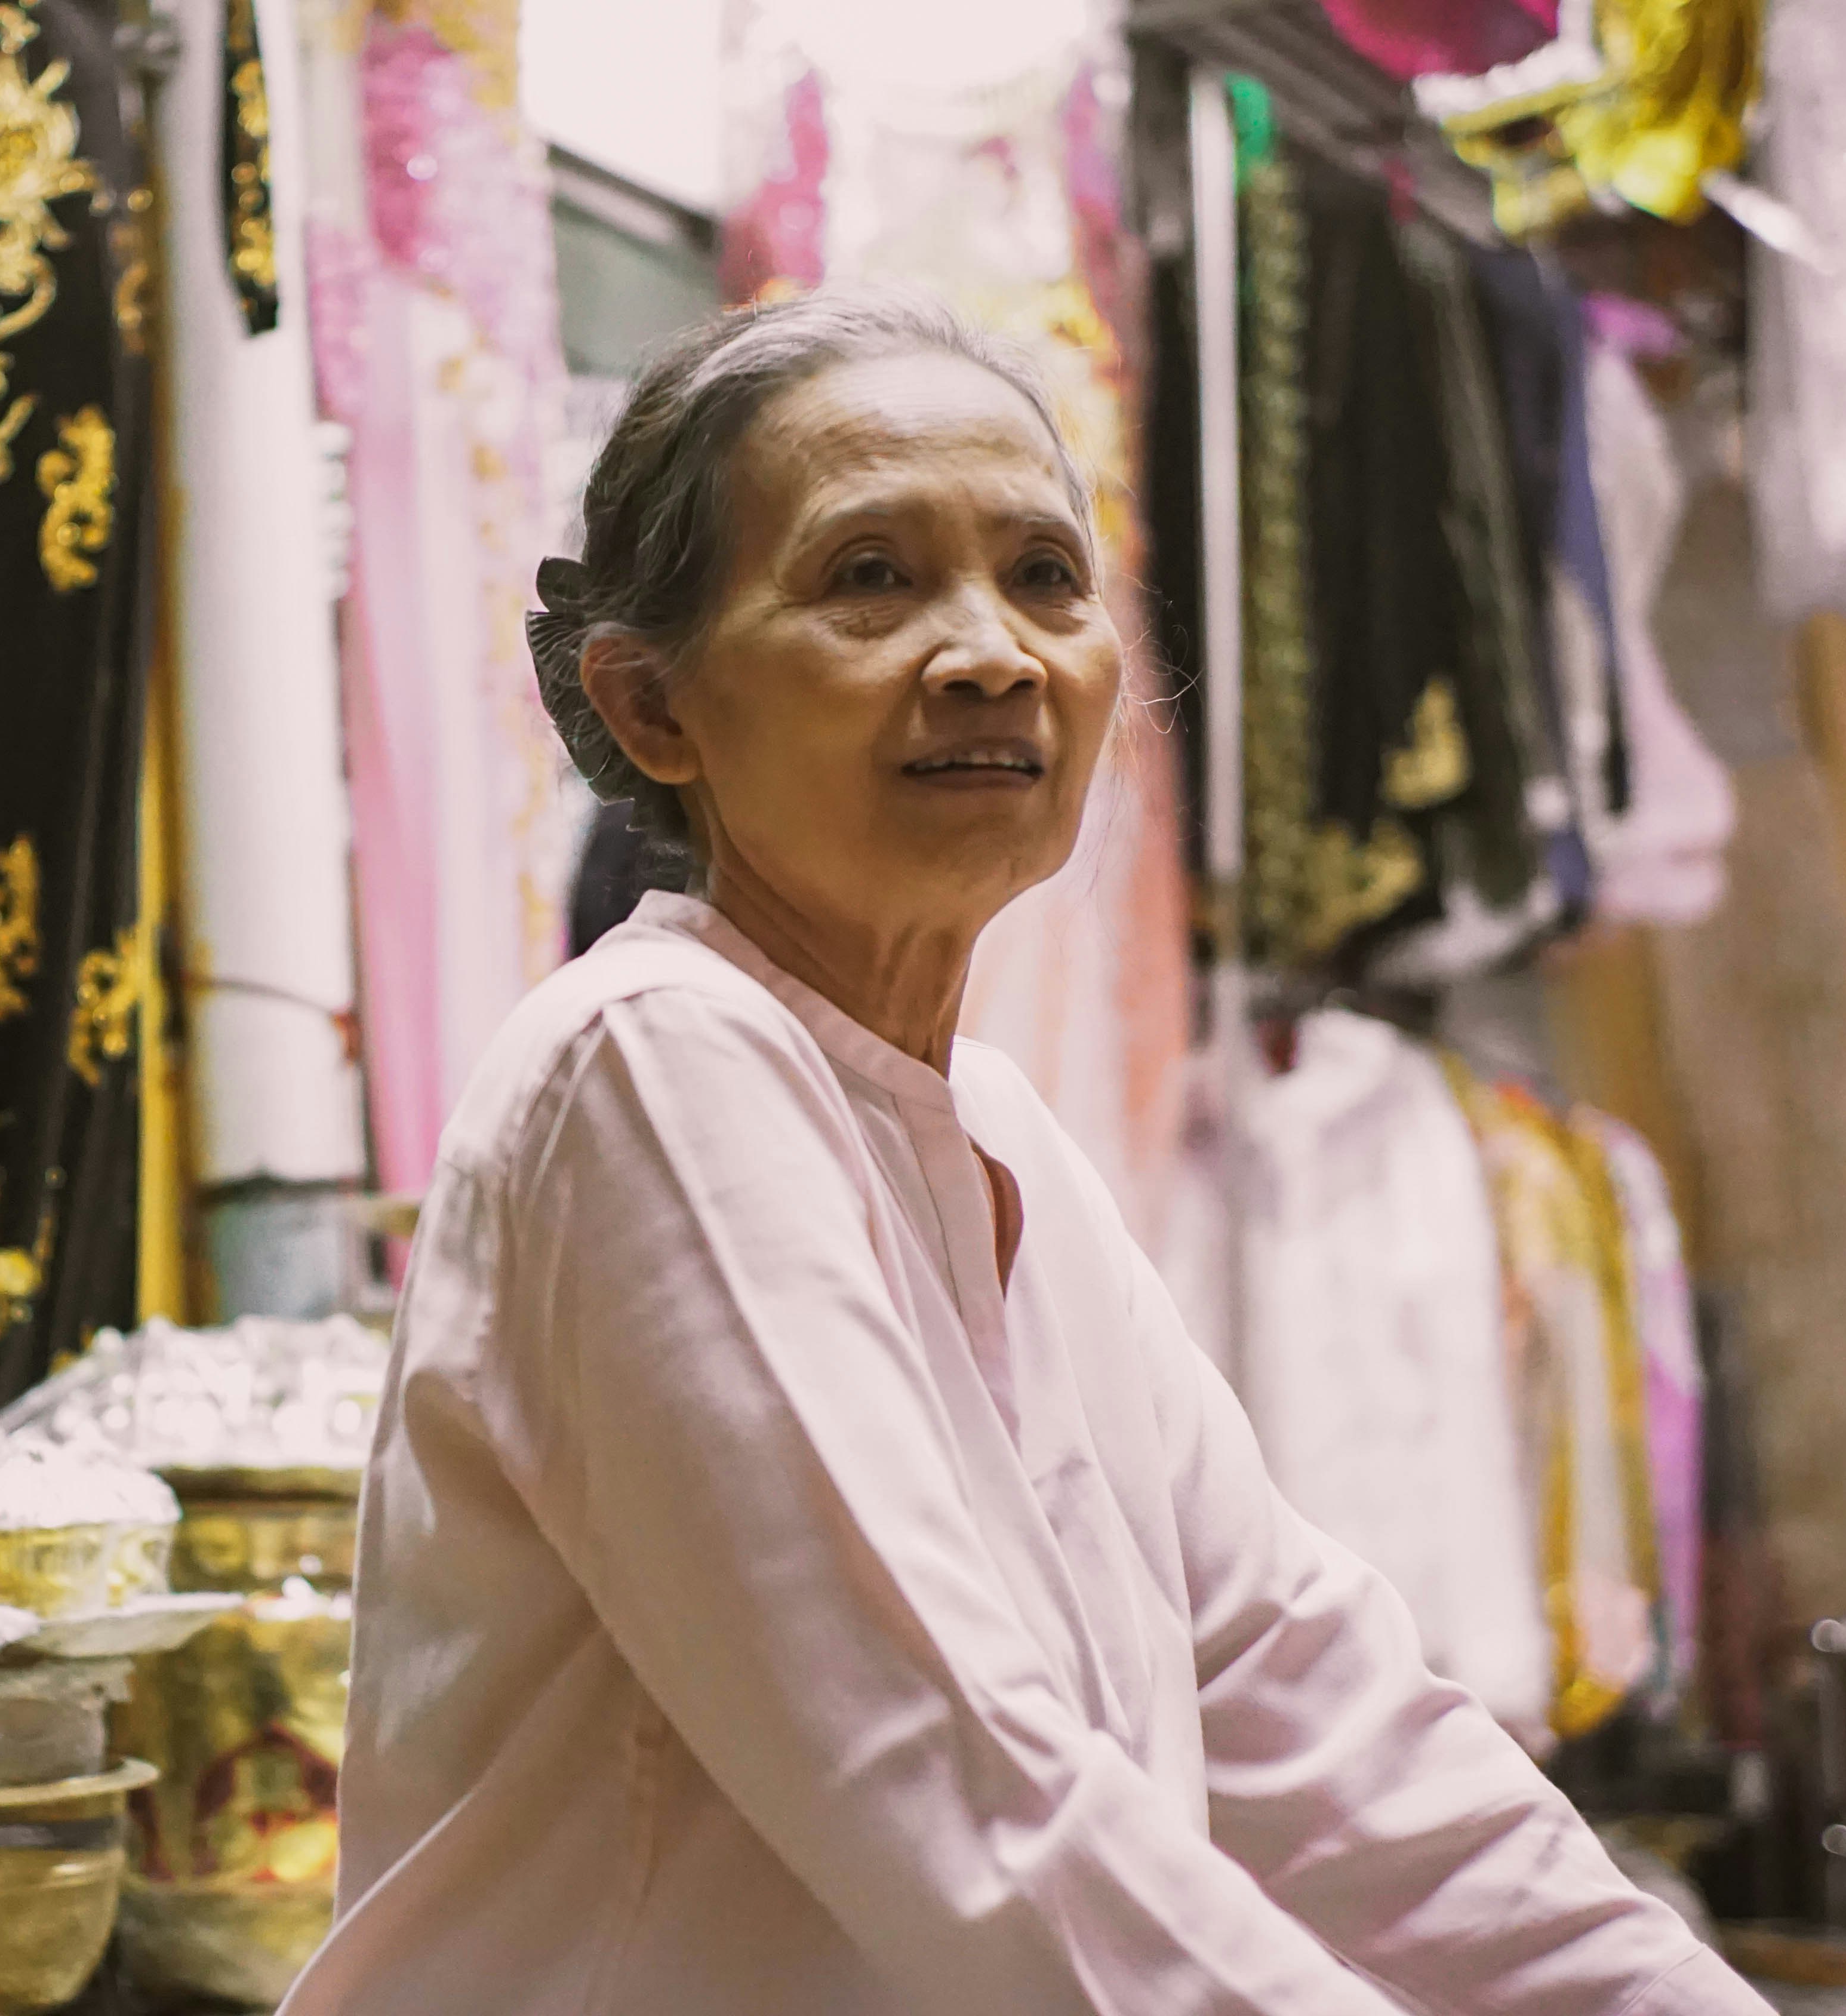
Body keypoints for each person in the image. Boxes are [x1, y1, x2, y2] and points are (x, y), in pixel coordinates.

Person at [279, 291, 1767, 2016]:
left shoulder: (1001, 1142)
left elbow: (1319, 1714)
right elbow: (965, 1785)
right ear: (653, 704)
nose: (990, 650)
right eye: (869, 579)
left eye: (1045, 579)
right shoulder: (652, 1069)